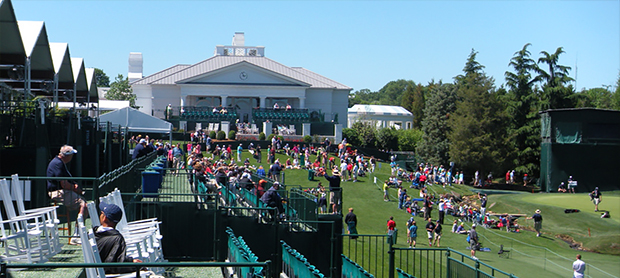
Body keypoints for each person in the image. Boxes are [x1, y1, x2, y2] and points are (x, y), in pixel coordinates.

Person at [47, 145, 87, 244]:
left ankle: (78, 233)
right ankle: (77, 235)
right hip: (58, 192)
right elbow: (63, 183)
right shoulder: (58, 164)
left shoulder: (59, 162)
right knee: (84, 205)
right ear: (68, 155)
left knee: (84, 203)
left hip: (62, 191)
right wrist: (75, 189)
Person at [94, 202, 142, 274]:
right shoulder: (117, 238)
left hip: (97, 270)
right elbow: (117, 264)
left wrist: (130, 261)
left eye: (101, 213)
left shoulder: (94, 232)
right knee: (141, 267)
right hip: (106, 273)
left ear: (104, 218)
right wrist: (135, 266)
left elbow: (115, 258)